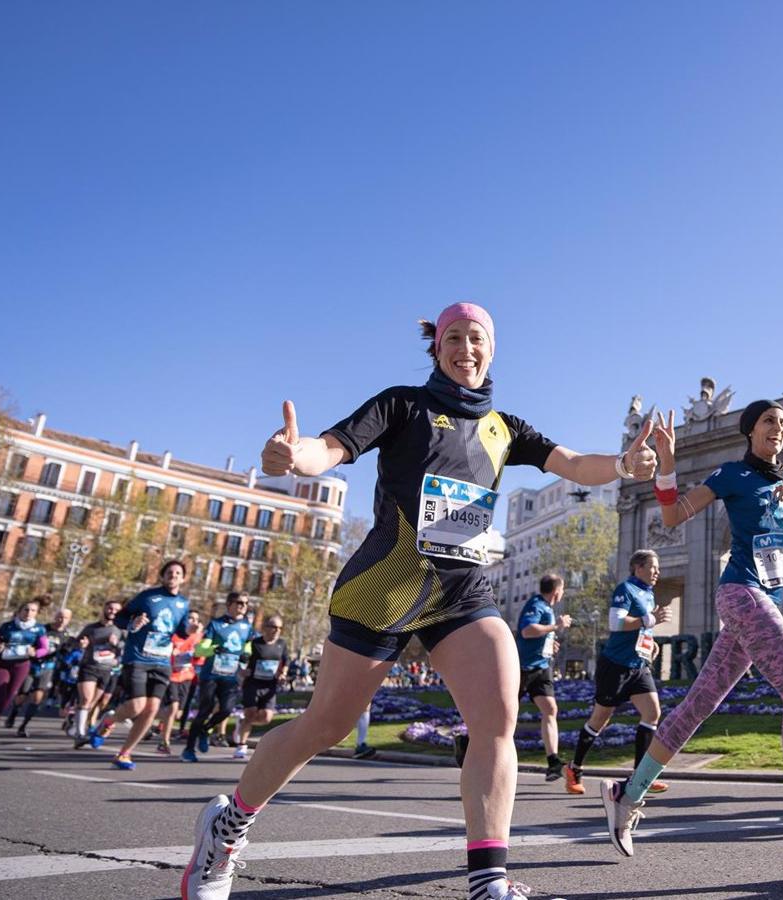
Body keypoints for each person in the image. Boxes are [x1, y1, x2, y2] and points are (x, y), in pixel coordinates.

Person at [180, 302, 657, 900]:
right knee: (323, 726)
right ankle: (227, 829)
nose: (465, 348)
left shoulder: (505, 428)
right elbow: (328, 449)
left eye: (476, 338)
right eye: (452, 338)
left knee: (498, 719)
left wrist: (625, 464)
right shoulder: (401, 405)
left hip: (462, 594)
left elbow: (576, 463)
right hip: (385, 586)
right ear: (437, 348)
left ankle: (488, 881)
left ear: (492, 349)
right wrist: (291, 457)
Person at [600, 403, 783, 872]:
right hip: (741, 594)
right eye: (770, 422)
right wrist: (668, 462)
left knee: (695, 707)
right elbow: (672, 516)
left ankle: (627, 795)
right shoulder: (732, 474)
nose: (779, 429)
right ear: (750, 431)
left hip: (764, 603)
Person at [567, 552, 669, 796]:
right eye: (653, 567)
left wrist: (649, 642)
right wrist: (649, 619)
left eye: (658, 568)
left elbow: (643, 626)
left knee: (653, 713)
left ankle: (640, 777)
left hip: (639, 666)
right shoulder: (626, 589)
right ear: (637, 567)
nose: (657, 572)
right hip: (615, 666)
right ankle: (574, 768)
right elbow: (616, 623)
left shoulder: (647, 592)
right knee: (600, 719)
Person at [98, 560, 194, 770]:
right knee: (137, 706)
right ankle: (109, 720)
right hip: (138, 657)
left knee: (151, 709)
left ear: (183, 578)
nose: (174, 575)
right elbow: (121, 618)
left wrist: (189, 630)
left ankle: (124, 753)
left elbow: (179, 631)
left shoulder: (183, 603)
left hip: (162, 660)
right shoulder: (147, 596)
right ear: (163, 575)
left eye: (178, 573)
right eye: (170, 572)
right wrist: (132, 624)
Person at [183, 593, 256, 763]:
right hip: (211, 675)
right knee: (204, 710)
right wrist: (214, 650)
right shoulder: (215, 624)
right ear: (229, 604)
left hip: (230, 677)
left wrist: (246, 654)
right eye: (239, 603)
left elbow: (248, 647)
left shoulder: (247, 627)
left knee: (227, 709)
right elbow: (200, 650)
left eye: (246, 603)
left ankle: (206, 729)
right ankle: (189, 749)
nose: (243, 606)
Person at [514, 574, 571, 785]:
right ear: (556, 591)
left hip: (541, 668)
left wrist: (549, 644)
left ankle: (553, 761)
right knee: (503, 715)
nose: (563, 593)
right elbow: (528, 630)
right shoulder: (536, 604)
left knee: (550, 709)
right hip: (521, 669)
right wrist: (556, 626)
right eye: (563, 589)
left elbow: (539, 635)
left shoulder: (547, 608)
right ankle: (467, 742)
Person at [0, 598, 50, 750]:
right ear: (19, 611)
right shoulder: (7, 626)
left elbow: (45, 648)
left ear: (36, 613)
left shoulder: (39, 629)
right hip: (1, 664)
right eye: (26, 609)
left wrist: (35, 652)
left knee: (9, 697)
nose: (29, 613)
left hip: (21, 665)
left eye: (33, 610)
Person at [7, 606, 73, 737]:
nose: (61, 620)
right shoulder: (42, 629)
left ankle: (24, 725)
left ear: (69, 620)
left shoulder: (66, 636)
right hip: (32, 665)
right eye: (59, 616)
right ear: (55, 616)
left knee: (37, 698)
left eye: (65, 617)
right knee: (22, 695)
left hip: (48, 668)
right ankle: (13, 713)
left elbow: (66, 653)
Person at [232, 615, 288, 759]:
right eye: (274, 627)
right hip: (253, 683)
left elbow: (285, 662)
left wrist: (283, 674)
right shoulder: (255, 643)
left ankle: (242, 723)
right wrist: (243, 670)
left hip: (270, 685)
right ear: (266, 628)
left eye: (280, 628)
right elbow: (242, 658)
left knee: (266, 718)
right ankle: (241, 745)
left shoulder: (282, 644)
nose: (277, 630)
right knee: (250, 713)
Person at [71, 599, 124, 746]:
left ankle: (74, 724)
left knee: (92, 703)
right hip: (89, 667)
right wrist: (82, 644)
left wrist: (117, 644)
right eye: (110, 608)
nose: (112, 612)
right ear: (104, 609)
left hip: (106, 670)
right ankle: (80, 734)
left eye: (116, 610)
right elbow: (76, 642)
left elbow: (125, 648)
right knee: (86, 700)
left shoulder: (121, 630)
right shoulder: (91, 628)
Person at [156, 611, 204, 755]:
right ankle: (164, 742)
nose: (194, 622)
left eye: (196, 619)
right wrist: (174, 653)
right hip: (171, 675)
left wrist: (197, 654)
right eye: (190, 618)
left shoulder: (198, 638)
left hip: (187, 677)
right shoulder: (174, 635)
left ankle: (146, 714)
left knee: (177, 714)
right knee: (172, 708)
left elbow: (199, 659)